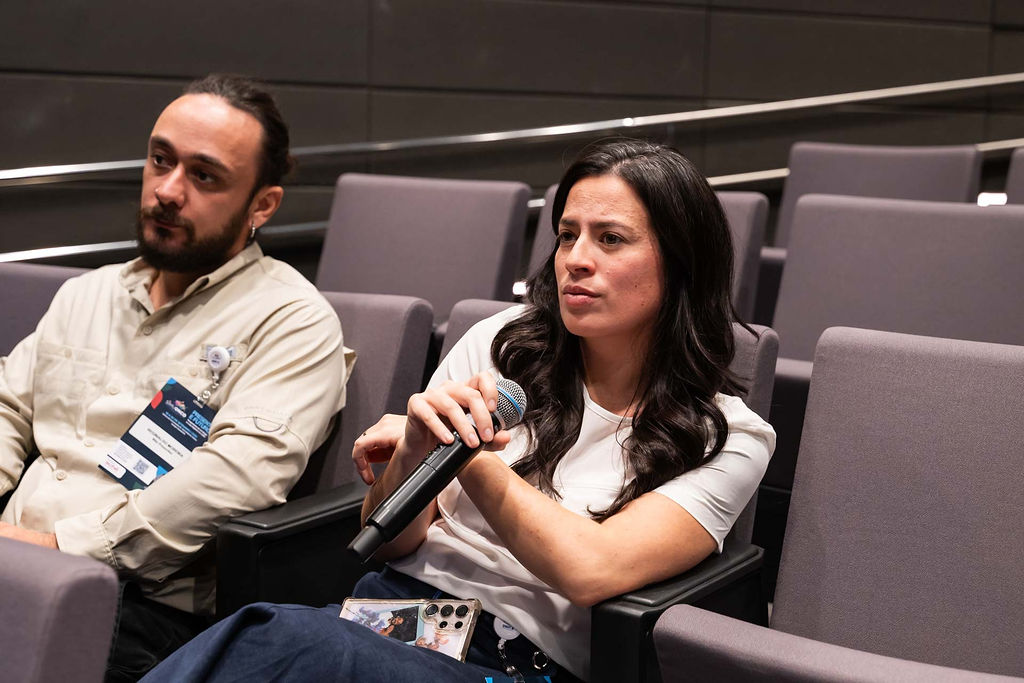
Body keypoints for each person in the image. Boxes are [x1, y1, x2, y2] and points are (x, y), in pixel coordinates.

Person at [143, 139, 774, 682]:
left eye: (611, 239)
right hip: (390, 615)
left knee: (277, 639)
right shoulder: (503, 343)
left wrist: (468, 456)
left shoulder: (728, 436)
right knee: (276, 640)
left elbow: (590, 570)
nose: (577, 259)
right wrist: (418, 452)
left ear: (681, 264)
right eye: (567, 235)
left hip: (515, 659)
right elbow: (393, 541)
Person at [0, 74, 353, 681]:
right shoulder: (87, 293)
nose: (167, 190)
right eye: (161, 160)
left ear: (262, 205)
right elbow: (8, 408)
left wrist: (59, 548)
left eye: (204, 176)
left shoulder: (293, 320)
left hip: (140, 604)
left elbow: (234, 480)